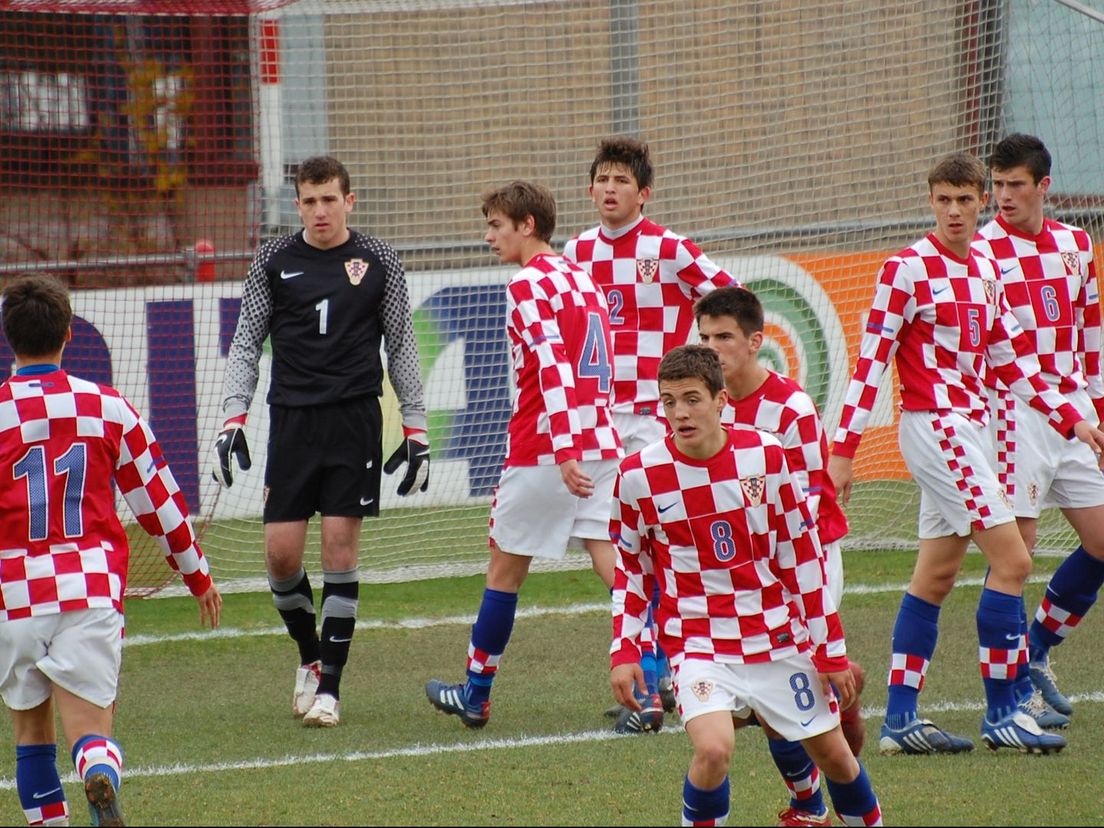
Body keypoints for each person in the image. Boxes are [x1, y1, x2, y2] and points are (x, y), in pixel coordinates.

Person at [828, 151, 1104, 756]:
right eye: (943, 200)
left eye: (965, 199)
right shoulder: (906, 269)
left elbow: (1013, 358)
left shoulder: (984, 267)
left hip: (973, 427)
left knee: (936, 575)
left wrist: (1073, 419)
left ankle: (901, 719)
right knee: (1013, 562)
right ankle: (1004, 709)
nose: (954, 211)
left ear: (981, 203)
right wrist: (842, 451)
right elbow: (870, 360)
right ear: (931, 202)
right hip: (937, 427)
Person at [610, 345, 882, 827]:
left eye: (692, 399)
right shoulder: (638, 475)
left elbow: (801, 558)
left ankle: (825, 810)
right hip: (698, 641)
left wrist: (830, 651)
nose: (679, 413)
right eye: (669, 401)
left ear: (720, 401)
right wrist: (625, 649)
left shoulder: (764, 454)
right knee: (714, 750)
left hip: (777, 636)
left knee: (838, 759)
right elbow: (632, 568)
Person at [212, 155, 429, 728]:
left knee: (339, 549)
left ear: (349, 201)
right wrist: (233, 417)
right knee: (280, 556)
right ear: (298, 204)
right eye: (308, 200)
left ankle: (330, 689)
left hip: (354, 420)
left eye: (329, 199)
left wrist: (416, 427)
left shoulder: (380, 258)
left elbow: (402, 346)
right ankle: (310, 657)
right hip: (291, 423)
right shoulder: (272, 259)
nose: (319, 210)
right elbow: (245, 343)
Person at [0, 273, 222, 828]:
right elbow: (160, 501)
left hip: (15, 596)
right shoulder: (106, 407)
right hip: (90, 587)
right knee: (92, 733)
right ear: (70, 334)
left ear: (9, 338)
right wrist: (197, 575)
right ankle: (99, 769)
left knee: (31, 737)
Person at [425, 180, 622, 728]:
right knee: (615, 563)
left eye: (496, 225)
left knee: (504, 572)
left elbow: (554, 366)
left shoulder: (528, 283)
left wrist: (562, 447)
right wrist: (586, 436)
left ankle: (475, 692)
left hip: (546, 448)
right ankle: (651, 685)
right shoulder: (582, 277)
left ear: (527, 225)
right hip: (601, 439)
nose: (488, 235)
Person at [564, 135, 740, 732]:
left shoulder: (668, 248)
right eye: (602, 179)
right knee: (602, 543)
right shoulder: (577, 250)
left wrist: (702, 355)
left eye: (621, 181)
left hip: (657, 416)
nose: (609, 189)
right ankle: (661, 665)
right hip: (600, 417)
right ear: (590, 189)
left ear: (644, 193)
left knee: (653, 544)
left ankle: (654, 679)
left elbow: (728, 296)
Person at [696, 286, 864, 827]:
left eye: (724, 337)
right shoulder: (702, 404)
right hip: (742, 569)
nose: (713, 347)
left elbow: (811, 504)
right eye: (705, 337)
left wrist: (775, 571)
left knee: (781, 693)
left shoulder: (789, 407)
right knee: (771, 699)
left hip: (804, 559)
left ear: (755, 342)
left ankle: (815, 797)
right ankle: (810, 802)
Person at [973, 134, 1104, 724]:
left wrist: (1097, 410)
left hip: (1075, 413)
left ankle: (1038, 648)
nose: (1002, 196)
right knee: (1017, 556)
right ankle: (1012, 694)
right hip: (1015, 415)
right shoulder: (981, 252)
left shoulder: (1078, 245)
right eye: (996, 185)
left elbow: (1092, 335)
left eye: (1014, 184)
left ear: (1043, 186)